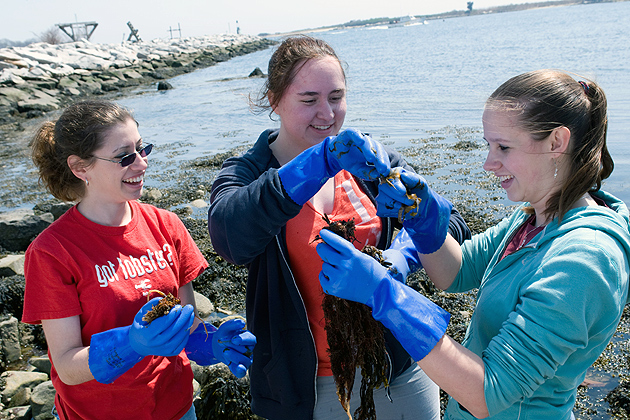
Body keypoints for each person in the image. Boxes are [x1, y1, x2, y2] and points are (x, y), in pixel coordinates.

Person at [316, 69, 630, 420]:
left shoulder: (584, 259)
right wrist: (424, 223)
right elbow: (457, 272)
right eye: (487, 145)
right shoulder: (534, 219)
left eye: (504, 147)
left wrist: (386, 296)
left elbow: (488, 393)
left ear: (557, 142)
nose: (488, 163)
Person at [208, 35, 470, 420]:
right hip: (310, 386)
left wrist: (401, 255)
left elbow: (451, 225)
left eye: (336, 97)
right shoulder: (248, 173)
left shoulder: (368, 161)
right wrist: (317, 164)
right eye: (309, 100)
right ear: (274, 100)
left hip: (400, 367)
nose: (327, 114)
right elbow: (230, 236)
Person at [21, 99, 256, 420]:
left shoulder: (167, 226)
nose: (142, 164)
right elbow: (66, 366)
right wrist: (131, 344)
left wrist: (215, 344)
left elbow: (187, 330)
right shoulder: (52, 252)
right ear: (80, 168)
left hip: (177, 408)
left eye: (142, 150)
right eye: (124, 157)